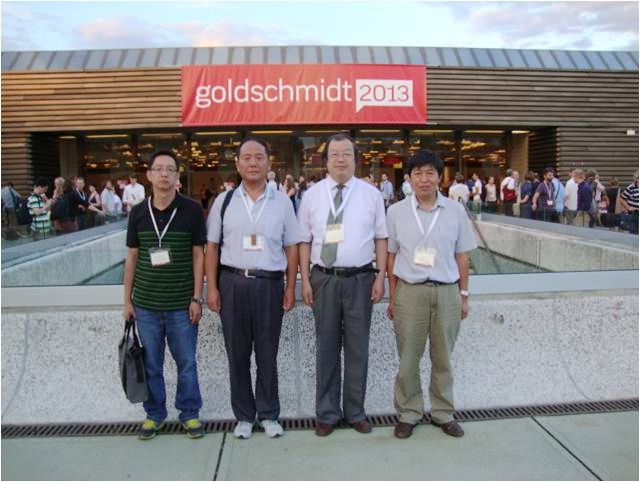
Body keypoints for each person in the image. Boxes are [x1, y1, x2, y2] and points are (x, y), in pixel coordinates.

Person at [205, 138, 301, 440]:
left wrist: (290, 286)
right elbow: (211, 246)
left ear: (269, 163)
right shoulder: (224, 201)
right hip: (232, 283)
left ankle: (269, 414)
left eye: (259, 157)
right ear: (237, 164)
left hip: (269, 285)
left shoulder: (282, 201)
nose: (253, 163)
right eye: (246, 157)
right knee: (237, 354)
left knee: (267, 353)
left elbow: (292, 246)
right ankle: (244, 416)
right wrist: (212, 288)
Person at [297, 133, 388, 437]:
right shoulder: (311, 195)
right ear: (325, 161)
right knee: (326, 347)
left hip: (361, 279)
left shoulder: (371, 194)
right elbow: (304, 241)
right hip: (323, 279)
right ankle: (327, 413)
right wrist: (305, 280)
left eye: (346, 153)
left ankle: (355, 412)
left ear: (355, 159)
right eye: (334, 154)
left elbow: (381, 238)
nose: (340, 159)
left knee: (357, 348)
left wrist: (380, 277)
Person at [386, 149, 477, 439]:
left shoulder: (455, 211)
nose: (424, 179)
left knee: (443, 358)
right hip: (410, 293)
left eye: (430, 173)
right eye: (418, 173)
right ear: (409, 178)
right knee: (408, 358)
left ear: (440, 177)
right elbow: (391, 257)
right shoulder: (396, 212)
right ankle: (408, 413)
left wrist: (464, 295)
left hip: (447, 292)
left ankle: (443, 412)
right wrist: (393, 297)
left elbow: (462, 256)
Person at [123, 150, 206, 441]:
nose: (164, 174)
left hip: (181, 305)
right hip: (146, 305)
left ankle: (189, 413)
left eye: (170, 169)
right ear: (148, 175)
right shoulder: (138, 212)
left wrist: (196, 297)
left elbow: (199, 255)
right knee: (151, 365)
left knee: (187, 364)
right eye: (158, 169)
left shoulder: (192, 210)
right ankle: (154, 414)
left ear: (177, 176)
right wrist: (127, 300)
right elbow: (132, 257)